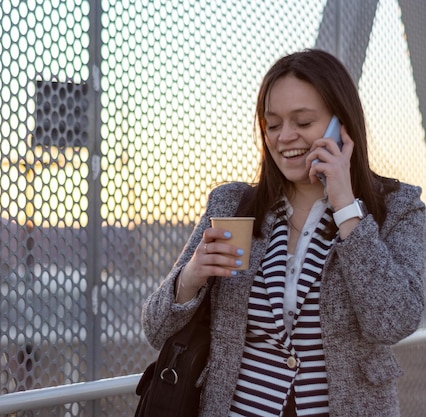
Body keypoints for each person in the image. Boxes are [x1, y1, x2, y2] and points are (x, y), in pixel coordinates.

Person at [141, 49, 425, 417]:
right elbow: (155, 328)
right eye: (273, 125)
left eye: (303, 122)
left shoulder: (397, 209)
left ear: (343, 125)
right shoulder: (231, 204)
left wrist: (346, 207)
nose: (285, 137)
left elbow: (393, 322)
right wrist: (191, 277)